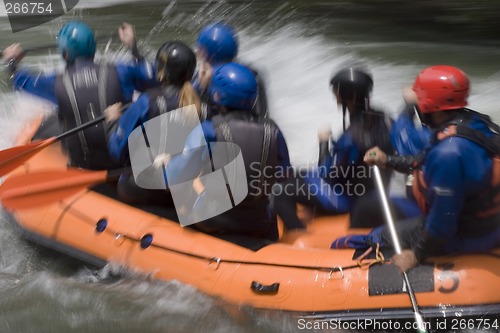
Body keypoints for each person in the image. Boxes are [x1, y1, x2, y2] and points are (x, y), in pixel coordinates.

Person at [364, 65, 500, 272]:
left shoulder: (449, 153)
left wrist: (416, 254)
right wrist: (388, 160)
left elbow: (442, 225)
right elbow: (422, 160)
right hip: (488, 222)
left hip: (469, 234)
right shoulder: (472, 122)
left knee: (378, 237)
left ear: (427, 104)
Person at [1, 21, 156, 170]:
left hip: (84, 163)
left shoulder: (56, 83)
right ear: (94, 49)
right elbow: (152, 76)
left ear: (66, 55)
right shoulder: (121, 71)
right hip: (123, 158)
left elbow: (22, 81)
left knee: (47, 119)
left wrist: (12, 62)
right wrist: (133, 47)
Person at [167, 62, 290, 240]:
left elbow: (177, 176)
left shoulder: (209, 130)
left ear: (217, 94)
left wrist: (169, 163)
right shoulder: (274, 131)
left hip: (214, 218)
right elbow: (284, 174)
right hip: (261, 221)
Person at [273, 68, 395, 230]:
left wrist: (323, 143)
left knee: (279, 190)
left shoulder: (351, 137)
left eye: (337, 91)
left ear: (347, 96)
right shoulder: (384, 117)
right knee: (299, 174)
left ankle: (297, 234)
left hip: (349, 199)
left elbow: (326, 171)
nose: (334, 95)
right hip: (373, 192)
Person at [105, 41, 201, 204]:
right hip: (183, 191)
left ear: (162, 72)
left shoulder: (147, 101)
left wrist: (113, 122)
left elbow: (117, 151)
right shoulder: (202, 104)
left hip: (142, 189)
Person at [193, 22, 269, 120]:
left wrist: (200, 87)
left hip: (218, 132)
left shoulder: (204, 77)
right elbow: (264, 114)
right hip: (258, 130)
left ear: (209, 53)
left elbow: (184, 112)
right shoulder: (252, 74)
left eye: (200, 49)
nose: (197, 53)